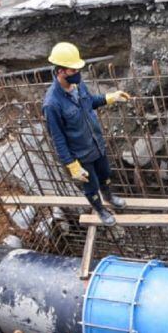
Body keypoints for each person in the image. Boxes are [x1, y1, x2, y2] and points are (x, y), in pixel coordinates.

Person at [42, 42, 131, 226]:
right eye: (73, 70)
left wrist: (110, 98)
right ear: (60, 71)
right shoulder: (52, 104)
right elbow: (57, 139)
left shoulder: (78, 85)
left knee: (106, 173)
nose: (78, 73)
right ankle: (100, 210)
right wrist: (71, 165)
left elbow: (89, 102)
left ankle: (109, 197)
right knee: (90, 186)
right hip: (80, 155)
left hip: (96, 144)